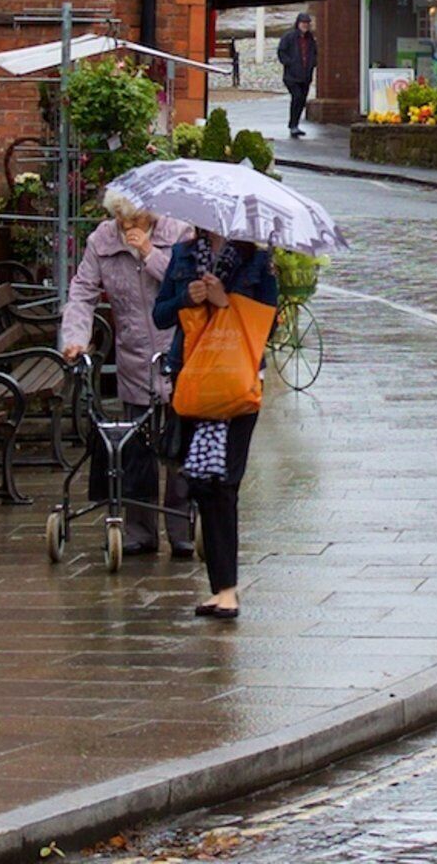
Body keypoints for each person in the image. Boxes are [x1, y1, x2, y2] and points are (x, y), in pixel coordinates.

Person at [155, 230, 281, 620]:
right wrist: (185, 298)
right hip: (193, 379)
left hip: (237, 380)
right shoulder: (182, 255)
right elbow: (159, 314)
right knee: (204, 484)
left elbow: (271, 326)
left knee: (225, 483)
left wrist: (226, 304)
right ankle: (219, 588)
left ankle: (228, 591)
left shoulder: (258, 262)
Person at [57, 197, 191, 557]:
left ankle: (182, 530)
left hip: (178, 352)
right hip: (133, 355)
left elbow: (187, 287)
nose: (125, 224)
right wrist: (74, 339)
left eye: (132, 216)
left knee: (178, 444)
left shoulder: (178, 232)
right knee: (137, 446)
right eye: (118, 216)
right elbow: (82, 294)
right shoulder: (102, 241)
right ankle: (140, 531)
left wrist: (149, 253)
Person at [278, 14, 320, 139]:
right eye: (303, 23)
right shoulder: (289, 37)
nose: (305, 25)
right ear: (298, 23)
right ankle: (293, 125)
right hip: (291, 76)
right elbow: (281, 51)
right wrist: (289, 63)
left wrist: (313, 63)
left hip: (306, 75)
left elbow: (314, 52)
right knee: (297, 97)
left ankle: (295, 124)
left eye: (307, 23)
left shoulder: (310, 39)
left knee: (301, 100)